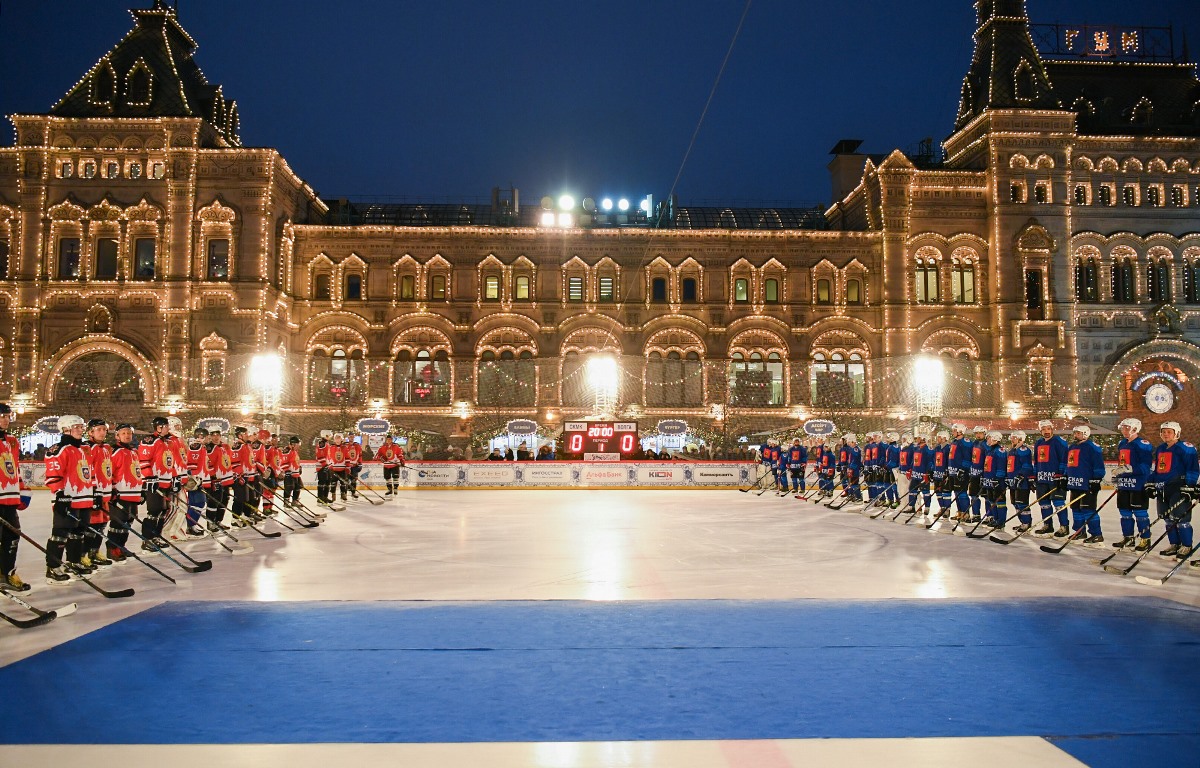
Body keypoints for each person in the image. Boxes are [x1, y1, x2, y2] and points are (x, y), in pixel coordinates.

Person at [44, 414, 94, 583]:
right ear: (66, 429)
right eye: (77, 427)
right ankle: (53, 567)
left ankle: (74, 561)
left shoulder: (84, 448)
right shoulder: (59, 449)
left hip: (84, 497)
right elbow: (53, 474)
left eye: (81, 427)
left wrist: (94, 493)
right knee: (60, 533)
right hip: (67, 498)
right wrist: (59, 494)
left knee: (79, 532)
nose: (81, 430)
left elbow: (89, 473)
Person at [1147, 421, 1199, 560]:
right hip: (1162, 489)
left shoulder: (1185, 448)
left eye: (1169, 432)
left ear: (1177, 433)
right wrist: (1150, 483)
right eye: (1163, 431)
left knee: (1181, 519)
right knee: (1168, 519)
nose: (1165, 434)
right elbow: (1157, 469)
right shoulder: (1160, 449)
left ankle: (1186, 545)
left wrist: (1190, 485)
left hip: (1178, 488)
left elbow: (1192, 468)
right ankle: (1174, 544)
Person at [0, 403, 32, 591]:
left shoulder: (11, 440)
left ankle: (7, 573)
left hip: (9, 498)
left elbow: (14, 468)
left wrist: (21, 489)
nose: (5, 419)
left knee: (12, 536)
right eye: (2, 416)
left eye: (7, 416)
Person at [1112, 418, 1154, 551]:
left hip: (1138, 485)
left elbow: (1146, 466)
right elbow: (1122, 464)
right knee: (1124, 512)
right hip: (1124, 484)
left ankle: (1145, 539)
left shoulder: (1142, 444)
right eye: (1123, 428)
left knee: (1140, 513)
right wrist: (1118, 476)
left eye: (1127, 428)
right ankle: (1128, 538)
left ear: (1135, 428)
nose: (1124, 430)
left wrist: (1131, 469)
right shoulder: (1122, 443)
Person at [1063, 424, 1106, 546]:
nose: (1076, 435)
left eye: (1078, 433)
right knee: (1076, 509)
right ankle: (1079, 531)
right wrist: (1066, 476)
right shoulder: (1072, 446)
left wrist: (1096, 479)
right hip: (1074, 483)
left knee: (1088, 509)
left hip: (1087, 484)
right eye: (1075, 433)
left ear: (1085, 434)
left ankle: (1096, 534)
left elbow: (1098, 465)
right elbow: (1069, 464)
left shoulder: (1092, 447)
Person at [140, 415, 176, 549]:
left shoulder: (168, 442)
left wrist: (175, 477)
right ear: (158, 427)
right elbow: (143, 460)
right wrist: (149, 477)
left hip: (166, 481)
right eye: (165, 426)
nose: (167, 429)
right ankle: (147, 539)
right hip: (154, 482)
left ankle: (156, 536)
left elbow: (170, 463)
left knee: (163, 511)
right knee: (154, 511)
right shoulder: (150, 440)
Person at [108, 423, 142, 562]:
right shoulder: (114, 451)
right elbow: (108, 471)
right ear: (117, 436)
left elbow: (137, 472)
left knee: (128, 521)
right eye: (123, 433)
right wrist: (112, 489)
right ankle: (112, 548)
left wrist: (142, 489)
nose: (127, 435)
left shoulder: (133, 451)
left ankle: (121, 546)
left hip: (133, 492)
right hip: (121, 492)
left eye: (129, 433)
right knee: (118, 523)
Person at [83, 418, 115, 564]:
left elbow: (109, 470)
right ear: (91, 432)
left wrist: (112, 487)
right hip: (95, 493)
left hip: (105, 493)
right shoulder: (88, 448)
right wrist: (94, 489)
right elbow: (88, 470)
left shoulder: (106, 448)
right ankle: (84, 554)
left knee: (102, 524)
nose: (102, 432)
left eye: (104, 429)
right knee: (92, 525)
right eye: (99, 429)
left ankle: (94, 551)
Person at [1032, 420, 1069, 537]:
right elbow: (1036, 461)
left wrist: (1061, 474)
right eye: (1043, 429)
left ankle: (1064, 527)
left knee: (1058, 503)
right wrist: (1035, 475)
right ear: (1040, 431)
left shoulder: (1059, 442)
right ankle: (1048, 525)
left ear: (1052, 429)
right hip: (1042, 479)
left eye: (1048, 429)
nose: (1046, 431)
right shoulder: (1039, 443)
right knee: (1044, 503)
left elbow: (1064, 459)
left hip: (1055, 479)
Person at [1006, 431, 1036, 533]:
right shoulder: (1012, 450)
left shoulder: (1023, 450)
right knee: (1015, 503)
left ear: (1020, 439)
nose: (1012, 439)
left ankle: (1027, 523)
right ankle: (1023, 522)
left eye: (1014, 437)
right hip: (1012, 482)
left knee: (1022, 503)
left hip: (1021, 482)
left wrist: (1021, 475)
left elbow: (1027, 466)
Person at [184, 428, 210, 538]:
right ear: (201, 436)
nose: (209, 438)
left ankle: (191, 525)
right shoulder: (196, 446)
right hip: (197, 481)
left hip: (200, 480)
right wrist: (194, 480)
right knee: (198, 503)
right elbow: (191, 465)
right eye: (207, 436)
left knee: (197, 503)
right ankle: (190, 525)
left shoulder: (202, 447)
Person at [206, 429, 234, 528]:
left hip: (225, 479)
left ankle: (218, 521)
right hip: (215, 479)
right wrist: (212, 475)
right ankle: (210, 523)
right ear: (210, 436)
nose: (216, 437)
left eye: (217, 435)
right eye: (213, 435)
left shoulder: (223, 447)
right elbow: (207, 463)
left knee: (224, 500)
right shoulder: (210, 448)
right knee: (214, 500)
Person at [980, 430, 1008, 527]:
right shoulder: (990, 450)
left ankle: (1001, 521)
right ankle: (996, 519)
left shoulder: (1000, 450)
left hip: (997, 481)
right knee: (992, 500)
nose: (987, 439)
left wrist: (998, 478)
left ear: (995, 438)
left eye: (989, 437)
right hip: (989, 481)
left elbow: (1001, 466)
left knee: (999, 502)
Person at [947, 423, 973, 521]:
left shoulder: (965, 442)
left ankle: (966, 514)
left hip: (961, 472)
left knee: (962, 493)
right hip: (953, 472)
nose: (952, 432)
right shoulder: (954, 442)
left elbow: (967, 457)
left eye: (954, 430)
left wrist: (963, 469)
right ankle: (960, 512)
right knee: (957, 493)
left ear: (960, 432)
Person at [967, 425, 988, 523]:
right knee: (974, 495)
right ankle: (976, 514)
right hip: (974, 474)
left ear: (984, 433)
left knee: (987, 496)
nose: (978, 435)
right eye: (976, 433)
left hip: (983, 475)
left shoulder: (987, 444)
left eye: (980, 433)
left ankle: (990, 516)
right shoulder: (974, 444)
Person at [931, 430, 952, 516]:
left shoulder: (948, 448)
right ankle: (942, 508)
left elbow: (949, 461)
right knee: (938, 492)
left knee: (945, 492)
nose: (937, 439)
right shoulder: (937, 448)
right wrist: (931, 471)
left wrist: (947, 472)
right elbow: (934, 460)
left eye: (939, 437)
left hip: (944, 473)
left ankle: (947, 510)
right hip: (937, 473)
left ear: (944, 438)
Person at [282, 436, 303, 505]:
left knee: (298, 486)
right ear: (293, 444)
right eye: (297, 444)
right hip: (290, 474)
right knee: (289, 487)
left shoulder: (295, 451)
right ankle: (286, 501)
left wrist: (299, 467)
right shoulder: (287, 451)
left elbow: (296, 461)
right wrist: (286, 471)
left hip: (296, 473)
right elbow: (283, 462)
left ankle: (295, 500)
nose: (298, 446)